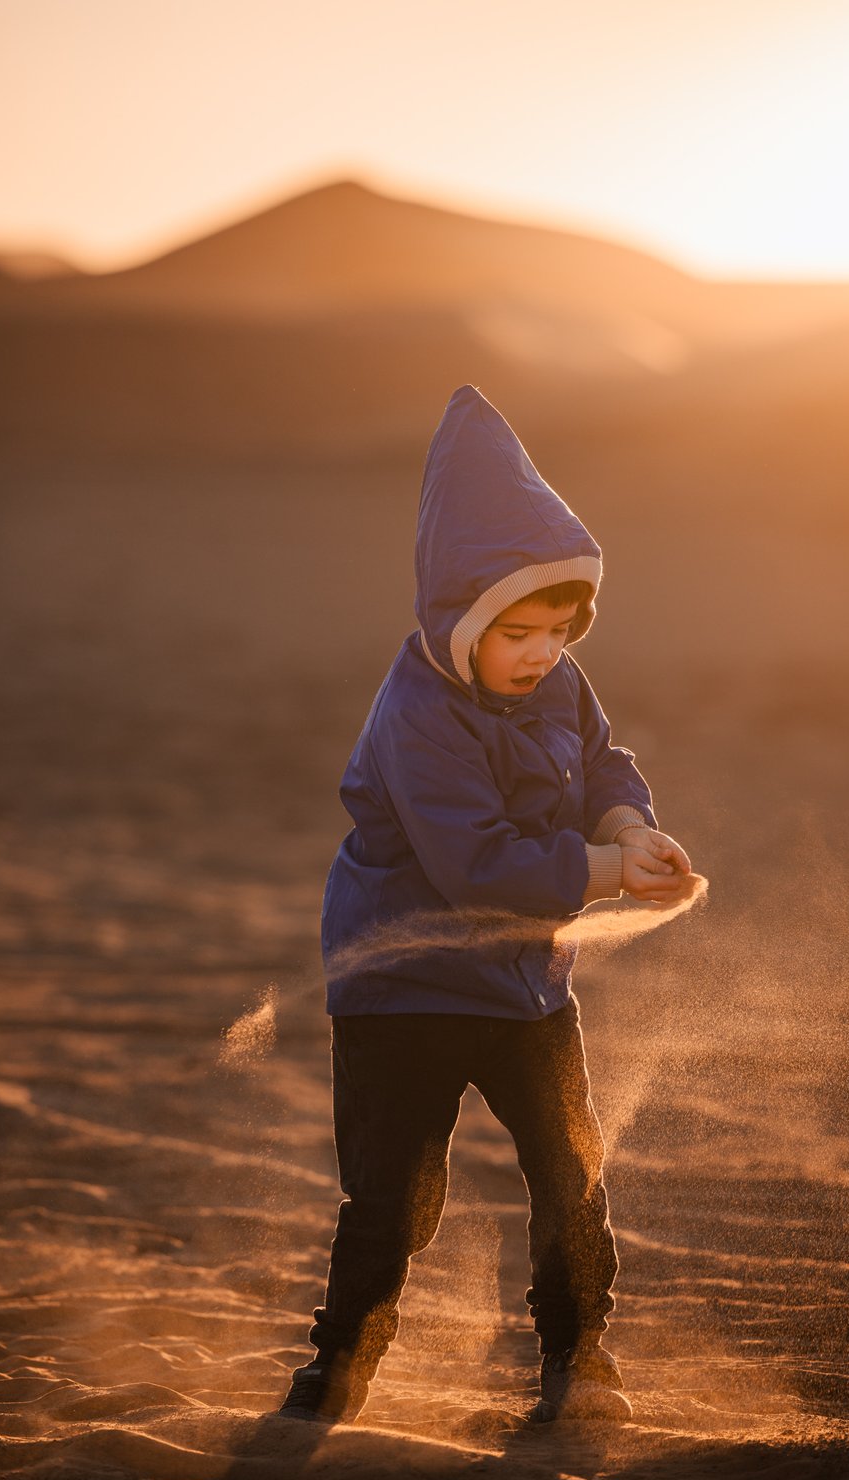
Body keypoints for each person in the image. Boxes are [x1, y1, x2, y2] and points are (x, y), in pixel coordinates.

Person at [277, 385, 690, 1426]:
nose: (541, 652)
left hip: (524, 983)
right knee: (395, 1202)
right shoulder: (416, 716)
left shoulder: (560, 682)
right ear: (457, 613)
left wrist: (633, 828)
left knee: (569, 1176)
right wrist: (604, 876)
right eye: (516, 631)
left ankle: (578, 1363)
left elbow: (603, 762)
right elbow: (477, 866)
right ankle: (337, 1372)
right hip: (401, 988)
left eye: (559, 628)